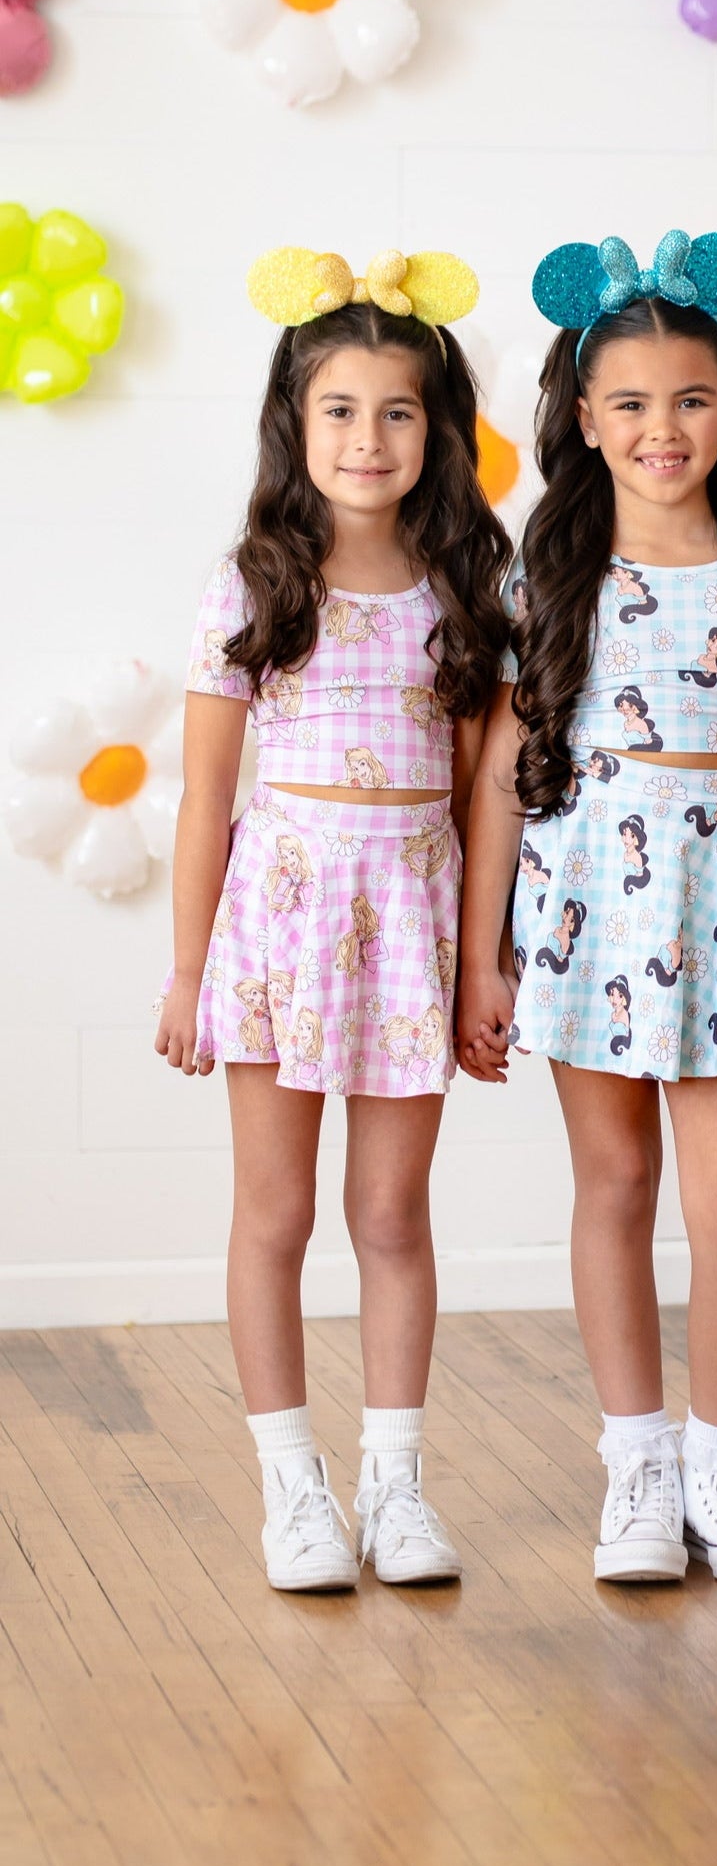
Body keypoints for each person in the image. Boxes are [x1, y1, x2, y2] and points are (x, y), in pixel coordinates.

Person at [457, 229, 717, 1584]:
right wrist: (482, 956)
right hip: (586, 912)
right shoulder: (544, 570)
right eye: (629, 402)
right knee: (615, 1183)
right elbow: (501, 779)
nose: (661, 427)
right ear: (583, 417)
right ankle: (637, 1465)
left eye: (690, 398)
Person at [153, 246, 512, 1591]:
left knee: (392, 1213)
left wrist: (480, 962)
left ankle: (395, 1485)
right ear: (296, 426)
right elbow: (206, 799)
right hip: (277, 926)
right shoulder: (253, 582)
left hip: (412, 922)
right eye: (342, 410)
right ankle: (291, 1486)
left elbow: (480, 798)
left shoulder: (470, 587)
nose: (370, 438)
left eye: (399, 411)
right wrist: (188, 970)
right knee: (274, 1212)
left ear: (440, 427)